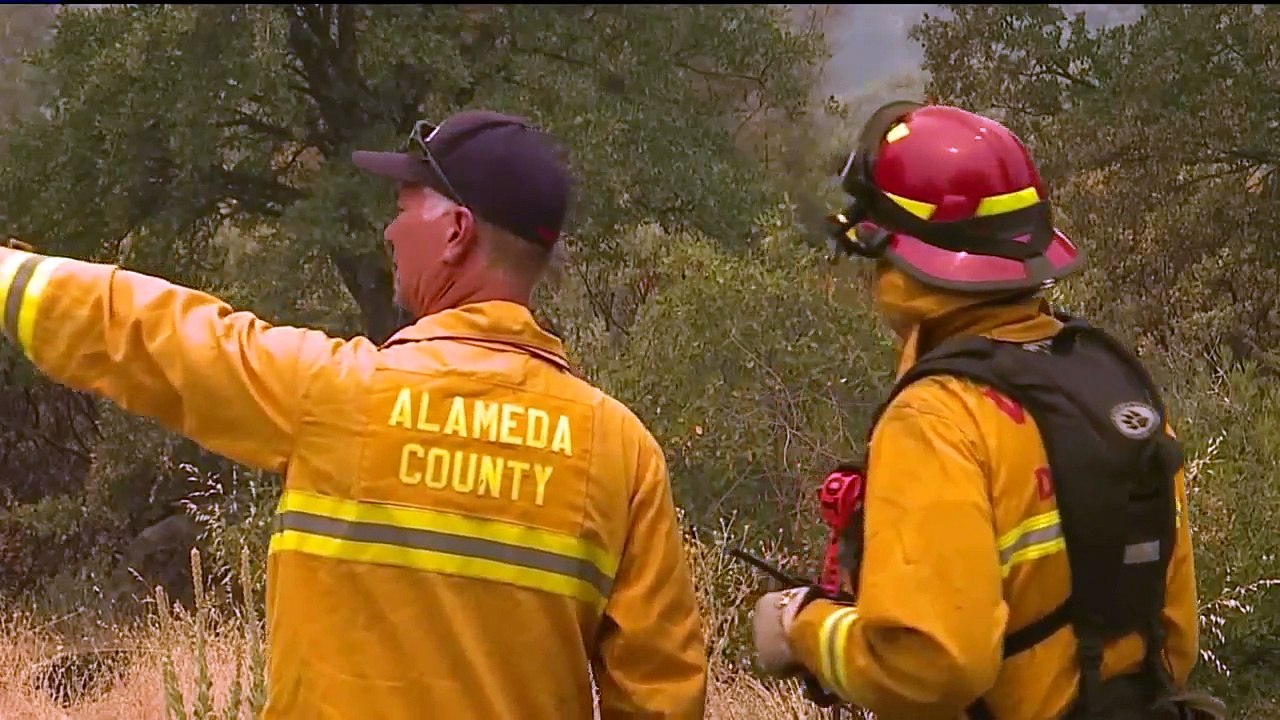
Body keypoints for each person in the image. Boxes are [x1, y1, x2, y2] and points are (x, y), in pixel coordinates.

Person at [0, 109, 707, 719]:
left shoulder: (337, 394)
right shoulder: (618, 451)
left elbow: (150, 333)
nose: (390, 233)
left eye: (403, 208)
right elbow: (663, 698)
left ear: (457, 231)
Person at [748, 102, 1221, 719]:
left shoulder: (938, 419)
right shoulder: (1109, 381)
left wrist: (803, 629)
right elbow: (1174, 635)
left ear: (899, 257)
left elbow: (933, 664)